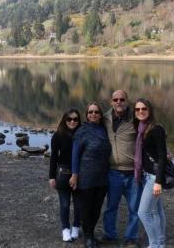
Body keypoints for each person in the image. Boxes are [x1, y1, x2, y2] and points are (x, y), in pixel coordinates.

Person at [102, 90, 142, 247]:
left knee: (134, 208)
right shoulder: (104, 119)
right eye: (115, 99)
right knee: (111, 206)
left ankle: (131, 238)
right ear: (111, 101)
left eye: (122, 99)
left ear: (127, 101)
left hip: (133, 173)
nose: (119, 102)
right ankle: (109, 234)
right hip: (112, 172)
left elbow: (153, 131)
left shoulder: (136, 119)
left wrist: (165, 150)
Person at [70, 102, 111, 248]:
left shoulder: (105, 130)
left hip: (103, 176)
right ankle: (88, 238)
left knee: (97, 208)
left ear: (100, 115)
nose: (93, 114)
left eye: (96, 112)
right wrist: (74, 175)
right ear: (87, 115)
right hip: (86, 175)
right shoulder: (81, 131)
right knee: (86, 208)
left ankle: (91, 234)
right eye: (90, 112)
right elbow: (75, 155)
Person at [134, 98, 167, 248]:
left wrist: (158, 182)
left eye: (144, 109)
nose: (140, 111)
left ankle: (154, 244)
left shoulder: (156, 129)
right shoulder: (141, 127)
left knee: (143, 213)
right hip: (147, 175)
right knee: (155, 210)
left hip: (154, 177)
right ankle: (160, 242)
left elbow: (162, 157)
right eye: (137, 109)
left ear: (150, 110)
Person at [49, 109, 82, 242]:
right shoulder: (58, 135)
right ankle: (65, 229)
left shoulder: (82, 134)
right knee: (64, 204)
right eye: (69, 119)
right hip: (62, 173)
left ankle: (76, 227)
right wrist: (51, 177)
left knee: (79, 204)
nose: (72, 121)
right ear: (64, 120)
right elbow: (53, 157)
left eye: (75, 119)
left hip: (80, 174)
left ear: (79, 121)